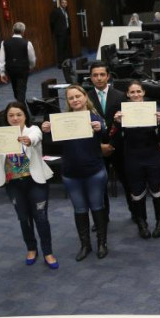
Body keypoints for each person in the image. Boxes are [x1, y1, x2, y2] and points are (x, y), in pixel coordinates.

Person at [0, 102, 57, 269]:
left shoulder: (33, 130)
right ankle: (31, 249)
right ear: (7, 118)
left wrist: (27, 140)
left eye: (19, 114)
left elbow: (35, 138)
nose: (15, 118)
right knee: (23, 218)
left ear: (25, 116)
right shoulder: (1, 134)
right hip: (13, 183)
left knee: (41, 218)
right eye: (11, 115)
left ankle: (48, 252)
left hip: (35, 181)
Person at [42, 85, 109, 261]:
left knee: (97, 207)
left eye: (78, 96)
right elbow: (51, 143)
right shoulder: (62, 121)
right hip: (71, 174)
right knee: (79, 209)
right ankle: (85, 245)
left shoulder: (95, 118)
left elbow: (105, 133)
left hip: (94, 171)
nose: (75, 100)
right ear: (68, 102)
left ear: (85, 97)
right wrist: (47, 131)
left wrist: (99, 128)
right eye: (71, 98)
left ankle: (102, 243)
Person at [108, 81, 160, 239]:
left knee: (158, 191)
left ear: (143, 93)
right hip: (132, 157)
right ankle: (142, 223)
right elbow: (113, 140)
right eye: (132, 92)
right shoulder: (122, 113)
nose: (136, 95)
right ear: (127, 95)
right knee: (136, 193)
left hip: (153, 156)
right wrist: (116, 123)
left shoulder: (154, 111)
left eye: (138, 91)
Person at [87, 60, 129, 221]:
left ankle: (136, 214)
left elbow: (126, 125)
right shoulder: (85, 99)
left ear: (108, 76)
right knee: (99, 186)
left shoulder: (120, 96)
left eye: (102, 75)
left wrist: (112, 144)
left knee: (127, 182)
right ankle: (102, 217)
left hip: (118, 146)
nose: (99, 78)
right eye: (95, 75)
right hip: (96, 147)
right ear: (90, 78)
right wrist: (100, 146)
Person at [0, 22, 36, 106]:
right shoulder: (27, 43)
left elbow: (1, 59)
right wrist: (31, 67)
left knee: (16, 89)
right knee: (21, 90)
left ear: (13, 31)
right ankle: (21, 108)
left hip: (11, 69)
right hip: (23, 69)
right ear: (23, 31)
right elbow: (32, 58)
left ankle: (20, 105)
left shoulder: (4, 43)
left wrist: (2, 73)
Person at [49, 0, 71, 67]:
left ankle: (66, 63)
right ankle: (60, 64)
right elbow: (52, 21)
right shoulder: (56, 11)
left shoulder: (66, 11)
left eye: (66, 3)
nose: (64, 4)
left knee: (65, 48)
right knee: (60, 48)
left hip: (66, 32)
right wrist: (55, 30)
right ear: (61, 3)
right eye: (63, 3)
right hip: (60, 33)